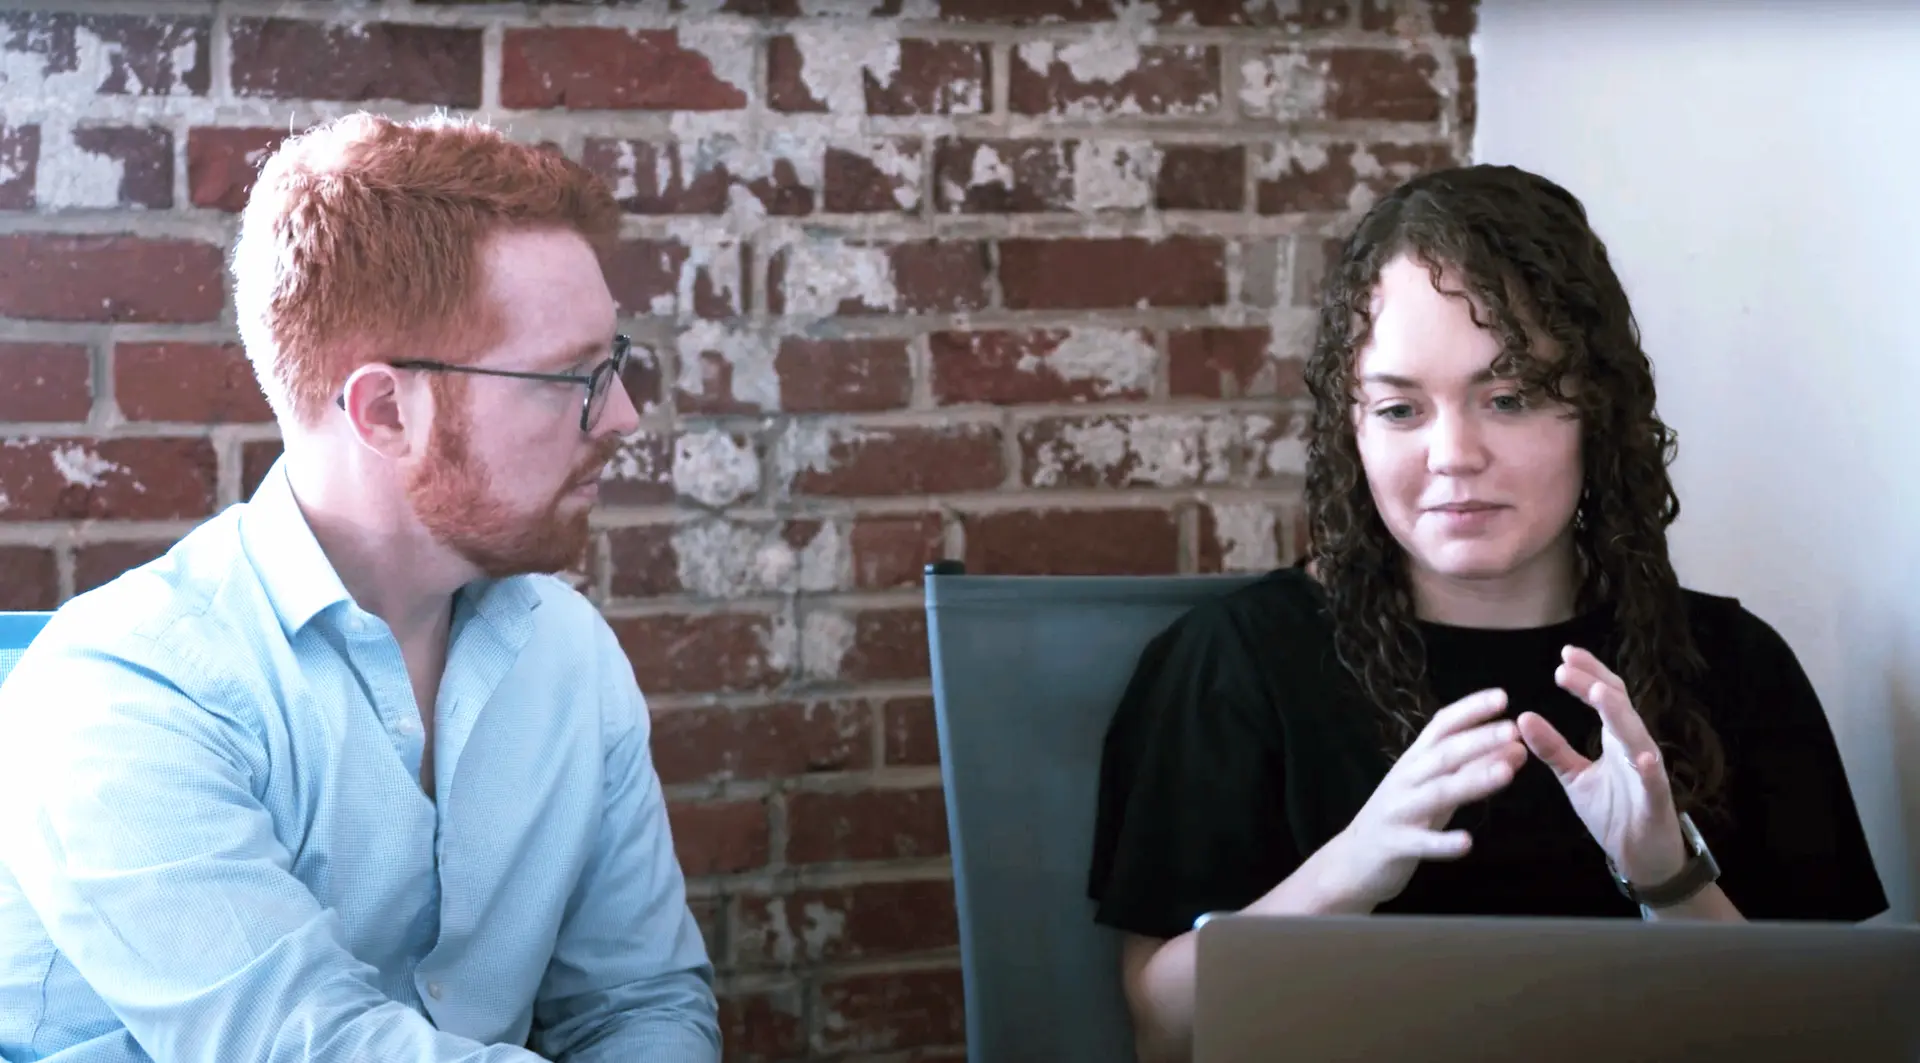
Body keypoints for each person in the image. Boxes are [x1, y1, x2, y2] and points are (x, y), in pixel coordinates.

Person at [1085, 164, 1888, 1062]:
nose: (1454, 454)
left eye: (1508, 398)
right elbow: (1162, 1028)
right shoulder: (1230, 662)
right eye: (1399, 408)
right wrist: (1352, 868)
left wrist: (1667, 879)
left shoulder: (1736, 664)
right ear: (1352, 430)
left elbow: (1830, 1033)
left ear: (1596, 411)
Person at [0, 113, 720, 1062]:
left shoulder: (567, 652)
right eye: (570, 378)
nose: (622, 415)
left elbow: (641, 1004)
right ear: (385, 411)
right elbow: (319, 1049)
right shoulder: (121, 689)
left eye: (613, 363)